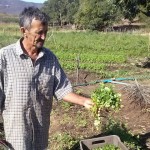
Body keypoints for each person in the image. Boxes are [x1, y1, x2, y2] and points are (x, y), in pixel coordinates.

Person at [0, 6, 93, 150]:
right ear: (24, 31)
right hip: (16, 132)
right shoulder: (4, 58)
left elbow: (62, 89)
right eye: (39, 33)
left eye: (46, 32)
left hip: (40, 130)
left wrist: (85, 101)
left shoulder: (50, 58)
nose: (44, 37)